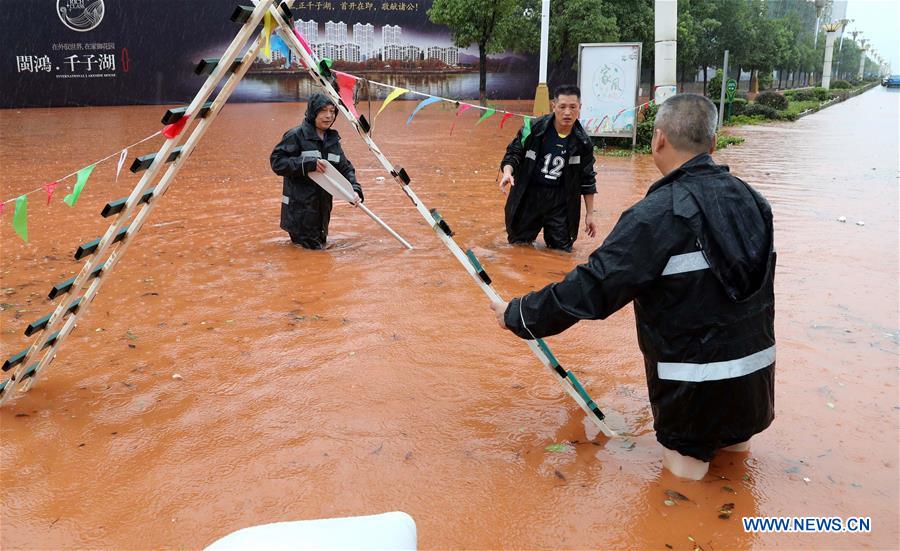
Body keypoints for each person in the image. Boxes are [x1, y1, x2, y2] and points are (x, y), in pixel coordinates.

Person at [491, 94, 776, 480]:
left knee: (682, 491)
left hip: (692, 393)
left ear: (657, 139)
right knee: (735, 472)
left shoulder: (656, 214)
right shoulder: (754, 201)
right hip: (754, 385)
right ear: (712, 144)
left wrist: (519, 313)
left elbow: (593, 288)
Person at [498, 84, 598, 252]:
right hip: (530, 194)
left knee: (560, 251)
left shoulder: (583, 142)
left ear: (580, 108)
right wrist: (507, 172)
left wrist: (590, 214)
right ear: (554, 106)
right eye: (562, 107)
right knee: (518, 245)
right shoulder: (533, 129)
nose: (567, 113)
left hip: (560, 199)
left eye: (573, 107)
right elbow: (514, 152)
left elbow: (587, 178)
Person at [270, 92, 363, 249]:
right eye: (323, 111)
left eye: (332, 111)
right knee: (312, 255)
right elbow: (277, 162)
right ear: (313, 112)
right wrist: (307, 164)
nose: (328, 116)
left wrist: (354, 190)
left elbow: (345, 168)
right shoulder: (296, 135)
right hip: (299, 212)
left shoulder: (332, 140)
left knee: (317, 253)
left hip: (322, 211)